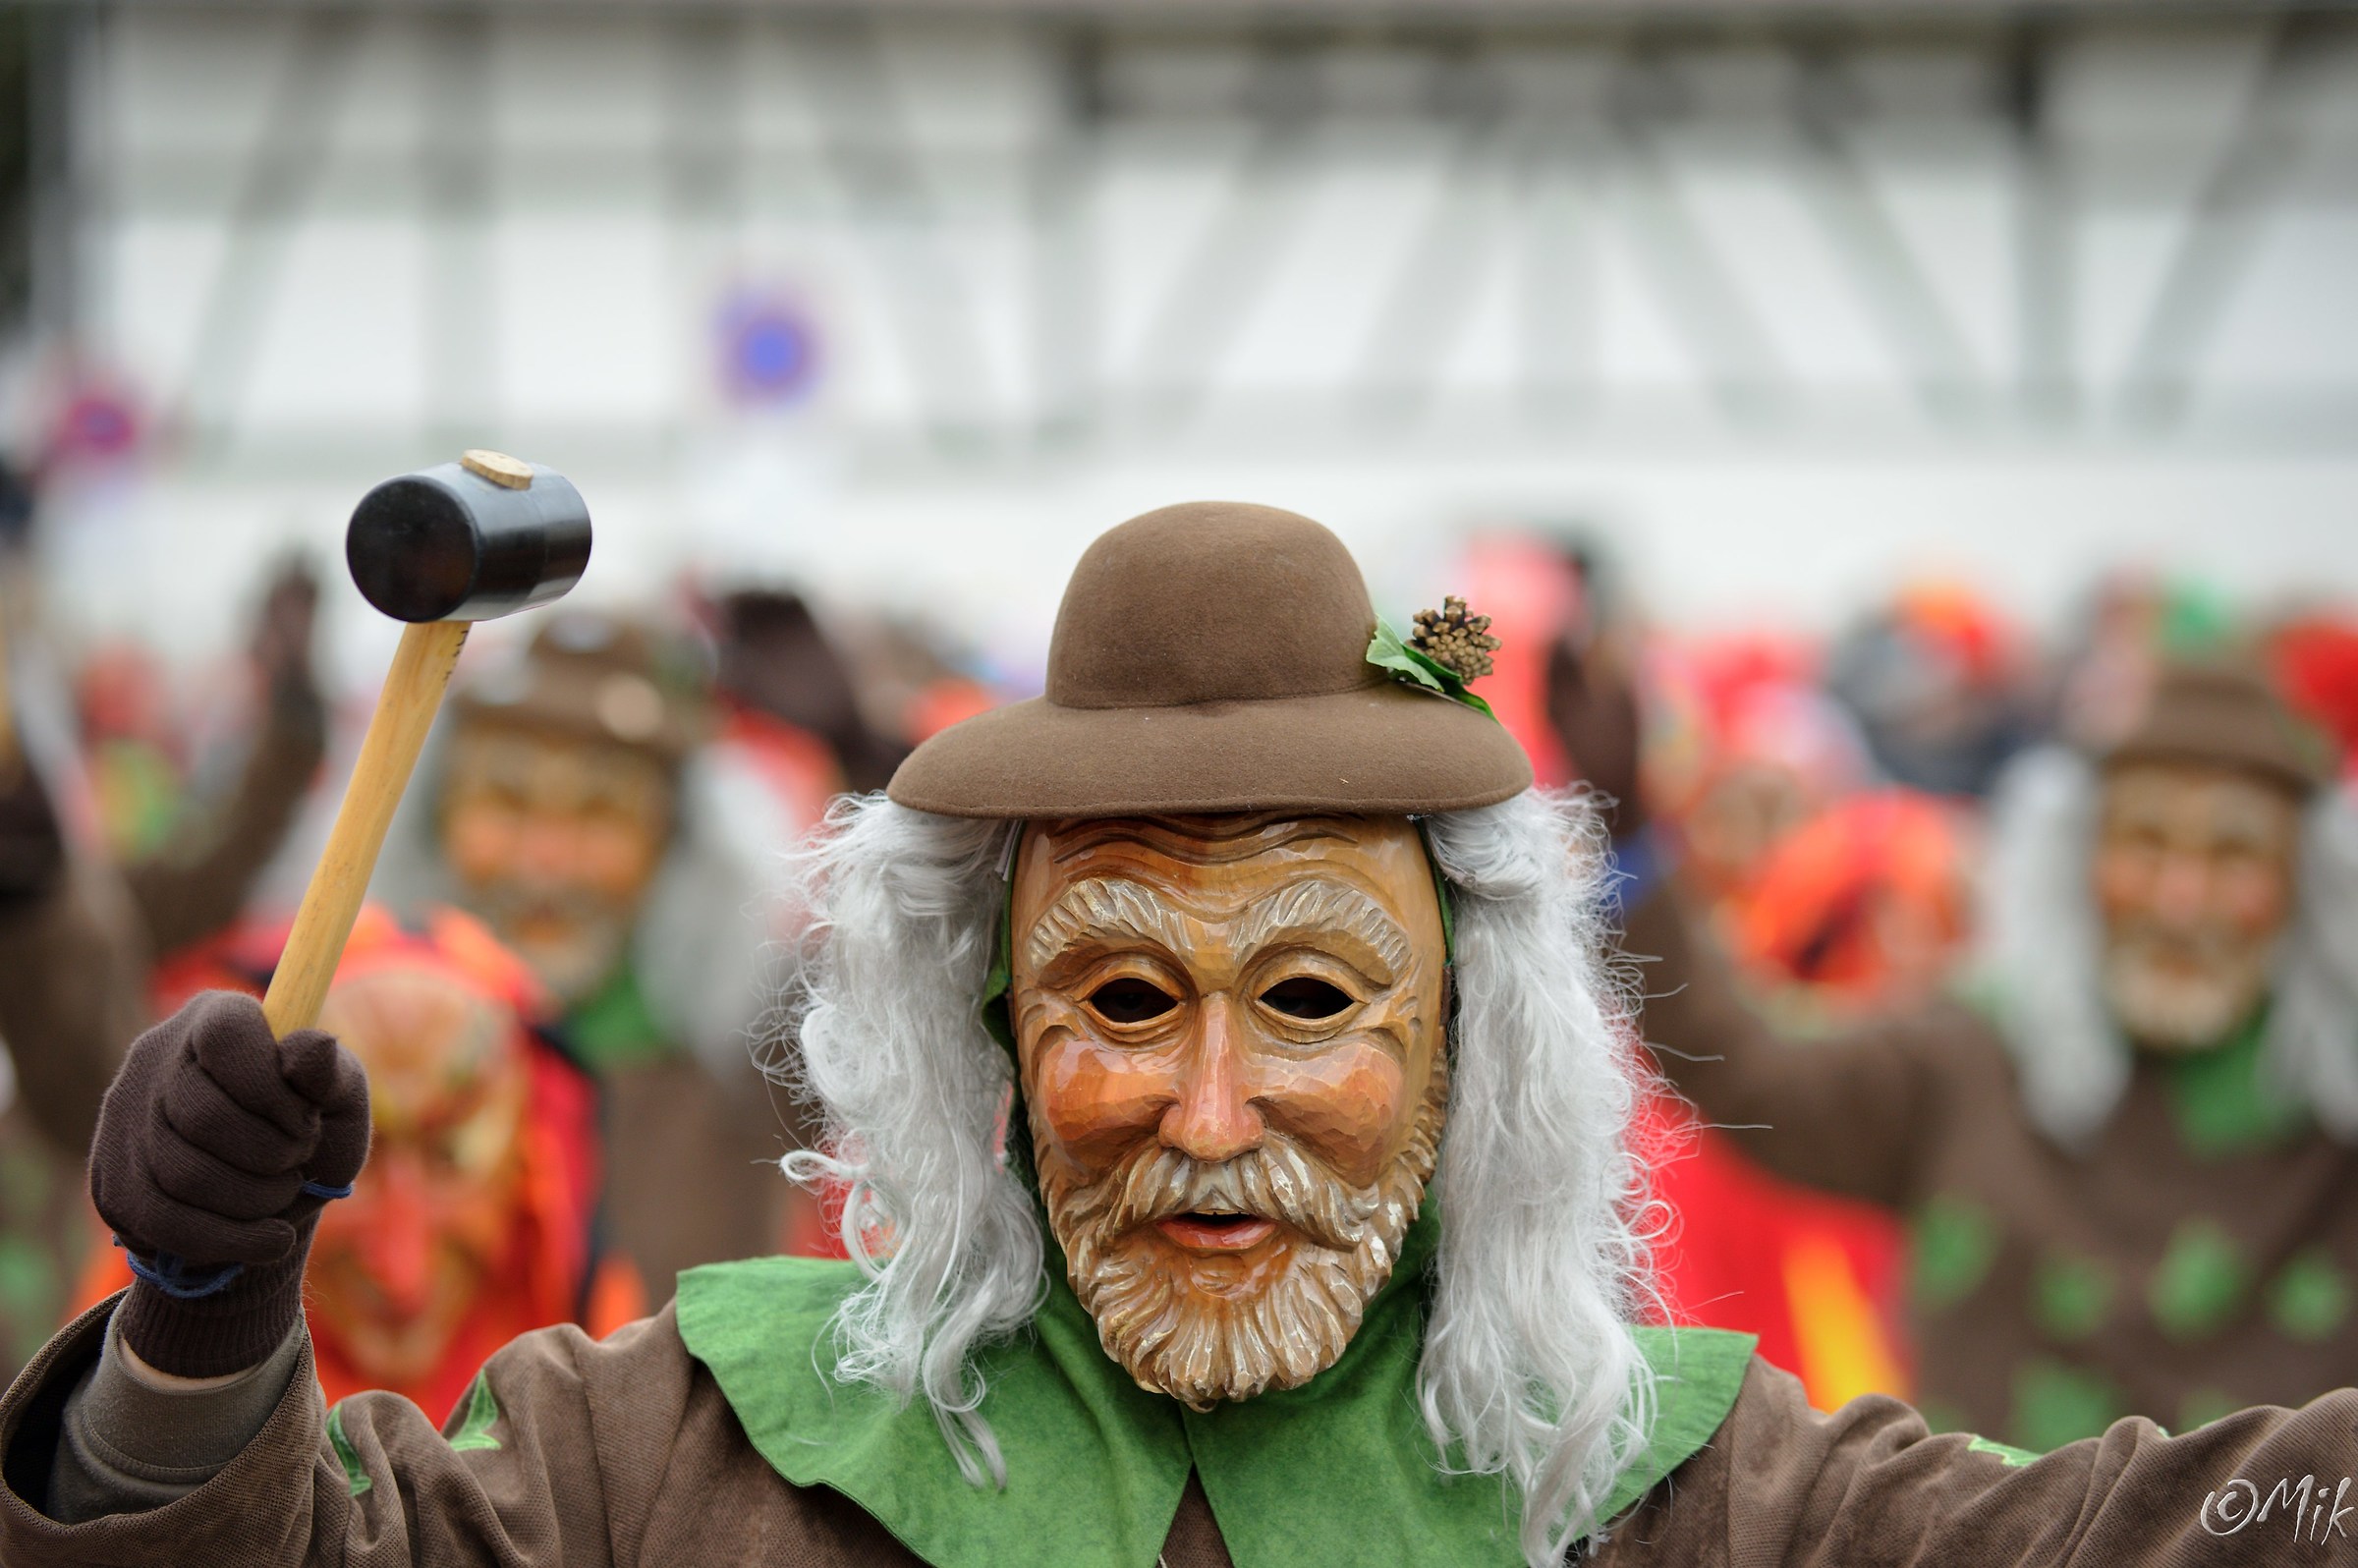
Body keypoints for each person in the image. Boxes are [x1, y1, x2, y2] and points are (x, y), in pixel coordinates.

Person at [5, 504, 2355, 1567]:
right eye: (1119, 997)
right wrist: (198, 1334)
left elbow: (2167, 1534)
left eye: (1314, 1000)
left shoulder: (1677, 1499)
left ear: (1466, 1064)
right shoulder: (671, 1466)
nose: (1206, 1116)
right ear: (983, 1048)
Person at [1562, 647, 2358, 1447]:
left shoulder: (2338, 1125)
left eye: (2233, 855)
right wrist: (1628, 840)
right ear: (2078, 859)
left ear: (2304, 880)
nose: (2182, 899)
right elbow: (1746, 1068)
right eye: (2145, 843)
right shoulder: (1973, 1060)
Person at [71, 905, 643, 1416]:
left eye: (453, 1156)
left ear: (532, 1163)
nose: (403, 1278)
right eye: (352, 1164)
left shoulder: (606, 1373)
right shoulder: (139, 1340)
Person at [405, 610, 790, 1292]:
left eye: (601, 813)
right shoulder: (372, 1063)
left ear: (671, 847)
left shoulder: (755, 1053)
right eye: (505, 800)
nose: (547, 862)